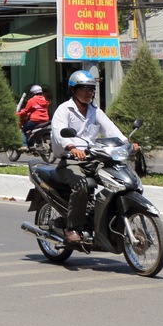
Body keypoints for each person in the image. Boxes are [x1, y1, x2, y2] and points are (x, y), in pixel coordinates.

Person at [49, 71, 136, 244]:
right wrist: (72, 147)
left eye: (91, 89)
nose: (89, 92)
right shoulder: (64, 110)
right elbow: (59, 132)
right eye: (84, 88)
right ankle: (72, 227)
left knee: (117, 181)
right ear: (73, 90)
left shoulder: (95, 111)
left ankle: (101, 218)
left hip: (94, 158)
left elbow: (110, 128)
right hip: (70, 160)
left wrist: (128, 143)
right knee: (82, 185)